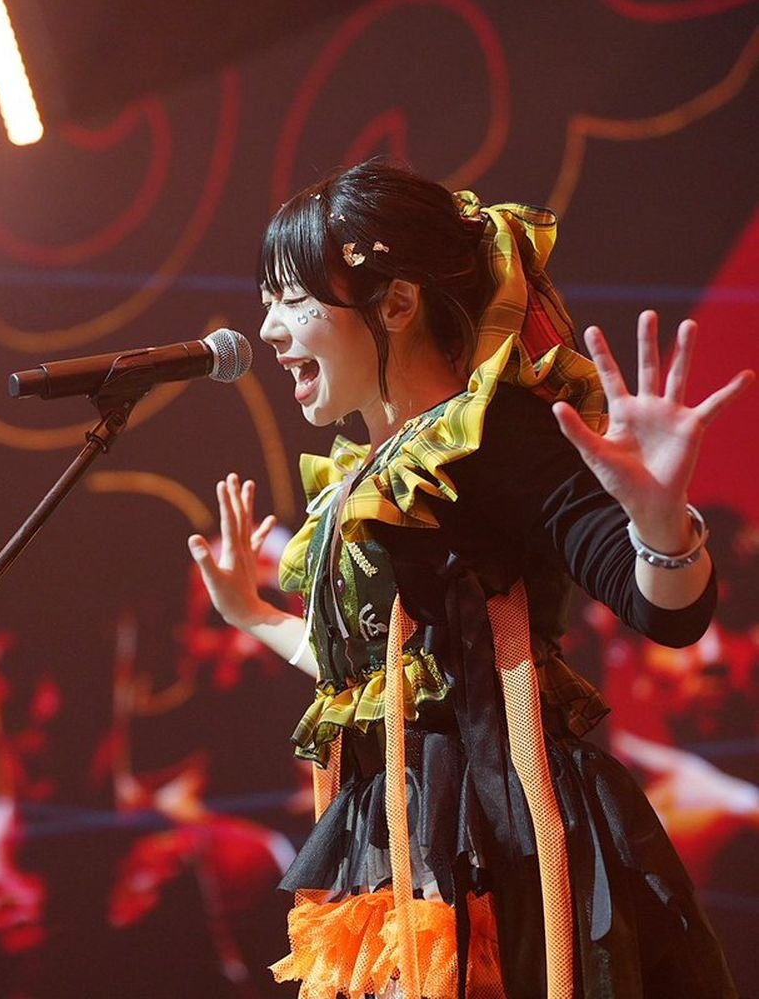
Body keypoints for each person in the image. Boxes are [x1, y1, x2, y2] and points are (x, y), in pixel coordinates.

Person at [186, 159, 752, 998]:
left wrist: (660, 522)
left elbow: (665, 612)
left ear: (396, 303)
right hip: (400, 845)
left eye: (293, 300)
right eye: (267, 301)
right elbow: (383, 686)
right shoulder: (363, 476)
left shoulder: (494, 436)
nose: (267, 329)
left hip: (502, 838)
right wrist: (251, 614)